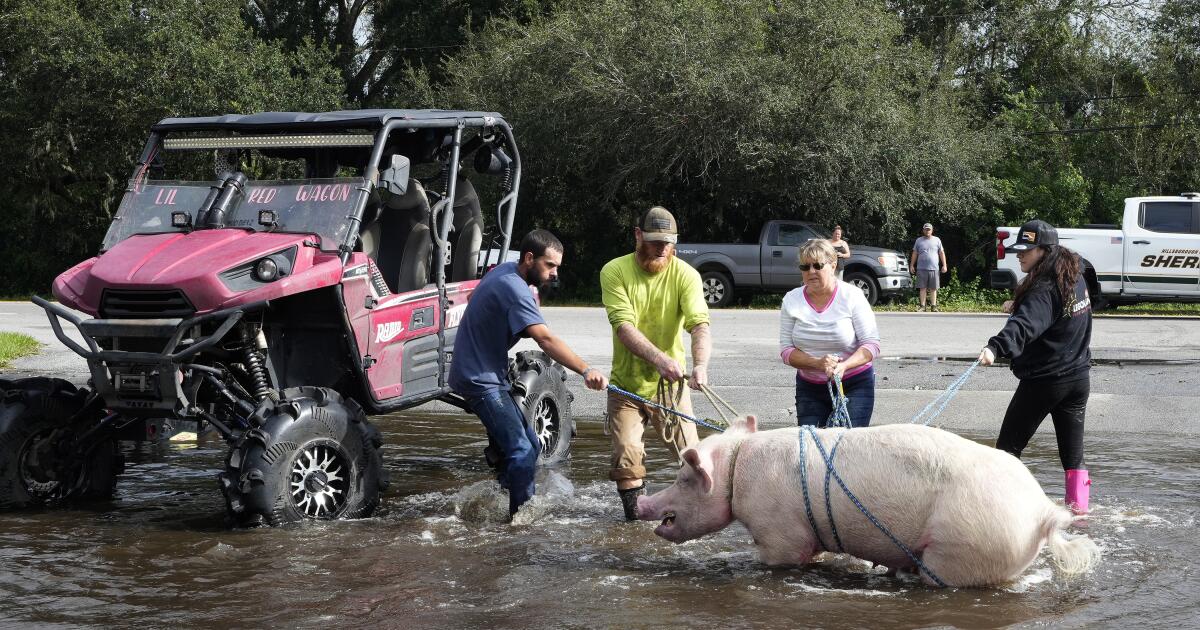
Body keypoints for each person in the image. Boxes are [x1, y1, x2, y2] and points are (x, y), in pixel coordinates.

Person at [449, 229, 608, 518]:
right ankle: (519, 524)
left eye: (558, 266)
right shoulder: (514, 287)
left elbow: (478, 298)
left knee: (531, 445)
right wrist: (586, 370)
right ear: (529, 258)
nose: (554, 273)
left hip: (484, 372)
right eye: (550, 265)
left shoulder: (506, 272)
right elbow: (545, 340)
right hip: (479, 379)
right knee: (522, 451)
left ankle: (501, 500)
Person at [600, 206, 711, 520]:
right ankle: (635, 524)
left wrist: (700, 365)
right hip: (627, 385)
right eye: (654, 241)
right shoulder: (614, 271)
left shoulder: (686, 275)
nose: (662, 248)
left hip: (671, 388)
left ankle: (692, 520)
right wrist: (661, 359)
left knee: (693, 460)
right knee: (625, 459)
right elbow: (624, 328)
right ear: (638, 236)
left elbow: (699, 325)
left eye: (668, 242)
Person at [977, 219, 1093, 514]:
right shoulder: (1076, 272)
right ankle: (1079, 515)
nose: (1020, 255)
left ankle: (1001, 512)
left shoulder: (1043, 288)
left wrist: (995, 347)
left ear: (1045, 250)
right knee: (1073, 458)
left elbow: (1027, 325)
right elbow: (1051, 312)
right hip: (1078, 379)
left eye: (1027, 250)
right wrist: (1017, 304)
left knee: (1006, 451)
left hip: (1046, 382)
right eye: (1019, 249)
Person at [780, 239, 881, 427]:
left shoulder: (852, 296)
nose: (811, 271)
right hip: (809, 387)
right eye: (805, 266)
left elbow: (872, 345)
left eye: (817, 265)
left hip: (854, 384)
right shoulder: (791, 300)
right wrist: (817, 363)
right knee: (812, 448)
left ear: (833, 265)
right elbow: (786, 351)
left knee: (847, 447)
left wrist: (844, 366)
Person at [910, 222, 948, 311]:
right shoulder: (919, 240)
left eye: (929, 229)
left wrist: (945, 265)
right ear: (923, 230)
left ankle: (933, 306)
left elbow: (941, 253)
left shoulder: (937, 240)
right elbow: (915, 253)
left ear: (932, 230)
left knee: (933, 288)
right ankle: (922, 306)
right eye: (926, 229)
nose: (927, 231)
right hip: (921, 268)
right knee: (922, 288)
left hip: (934, 268)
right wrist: (911, 265)